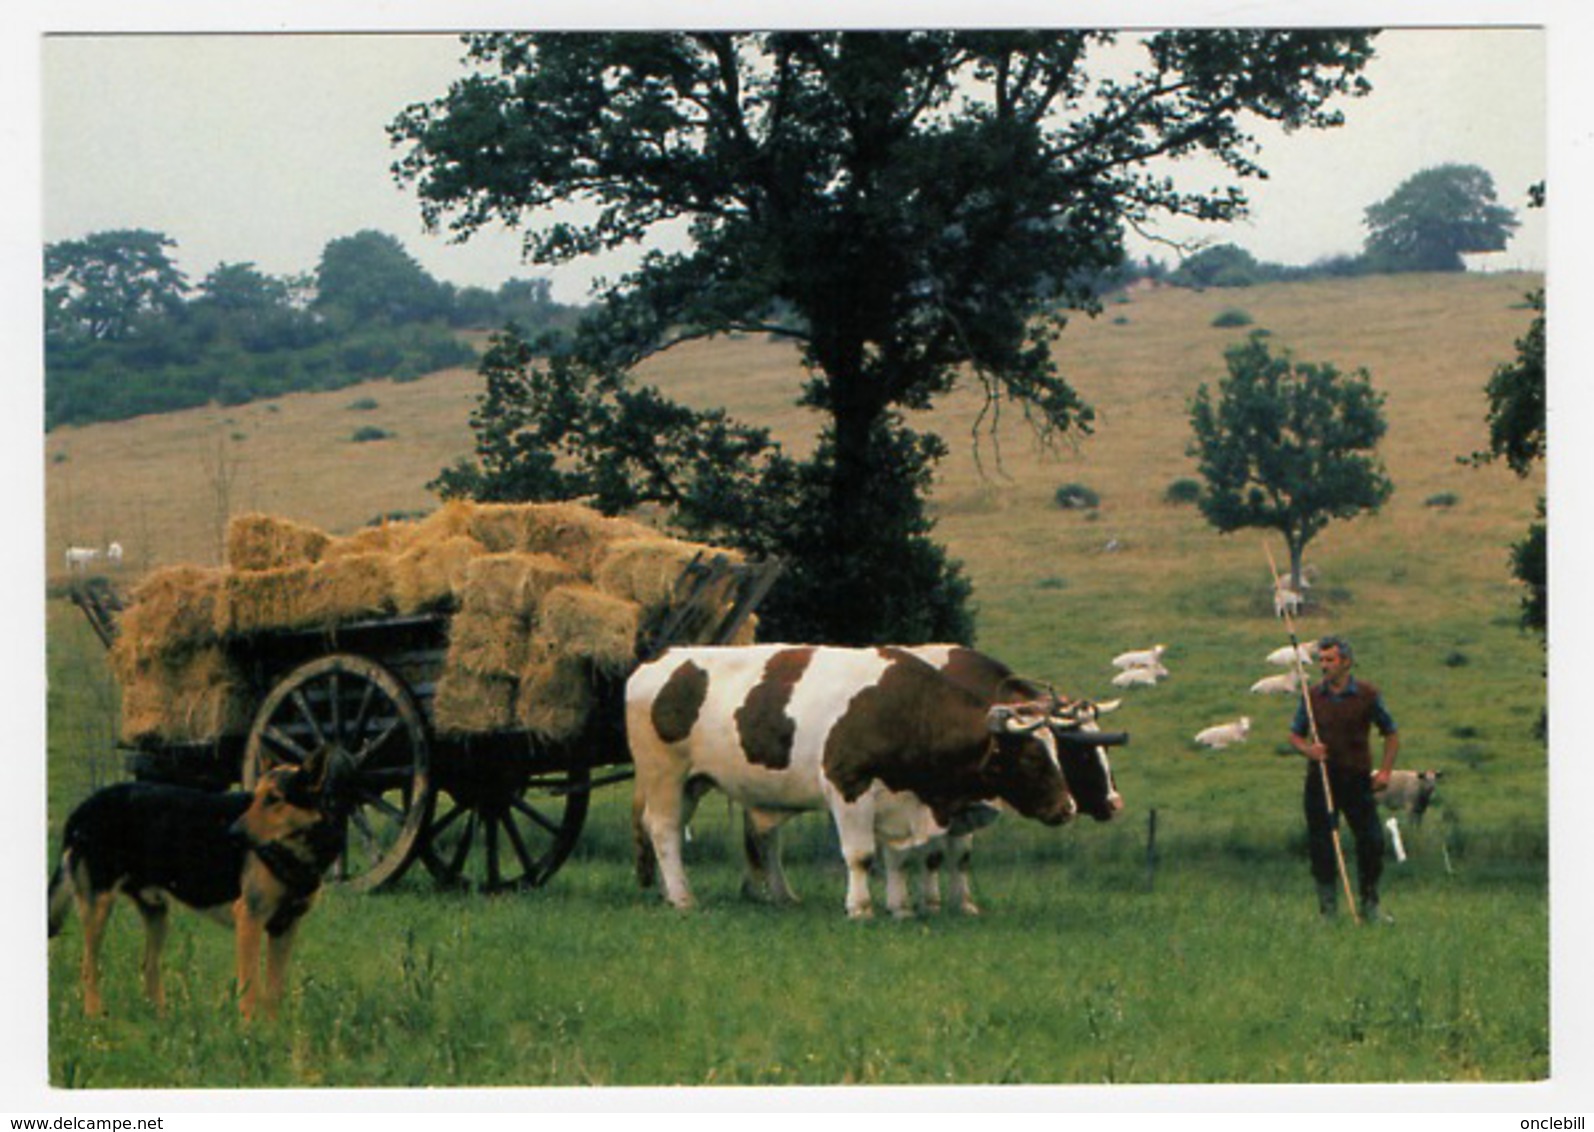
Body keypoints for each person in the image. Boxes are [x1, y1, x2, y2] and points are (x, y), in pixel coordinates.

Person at [1287, 635, 1400, 923]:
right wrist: (1309, 750)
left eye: (1330, 660)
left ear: (1346, 662)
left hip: (1357, 779)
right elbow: (1295, 735)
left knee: (1372, 842)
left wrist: (1385, 771)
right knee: (1322, 845)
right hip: (1321, 780)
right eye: (1321, 660)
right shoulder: (1311, 696)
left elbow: (1391, 733)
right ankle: (1328, 911)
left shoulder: (1368, 694)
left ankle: (1370, 905)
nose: (1324, 666)